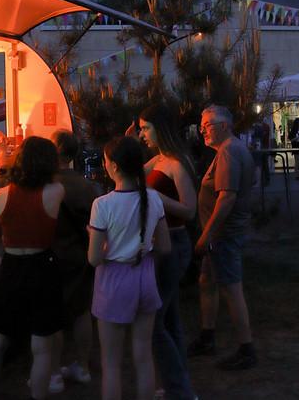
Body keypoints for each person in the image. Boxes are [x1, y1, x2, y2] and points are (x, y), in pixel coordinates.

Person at [0, 137, 65, 400]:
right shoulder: (55, 191)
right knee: (42, 347)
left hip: (12, 268)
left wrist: (11, 257)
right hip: (43, 268)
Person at [88, 136, 172, 400]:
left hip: (113, 281)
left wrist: (99, 241)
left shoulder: (103, 205)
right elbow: (165, 246)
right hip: (145, 275)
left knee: (111, 363)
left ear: (113, 166)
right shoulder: (154, 199)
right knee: (144, 356)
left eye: (105, 160)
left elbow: (94, 258)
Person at [131, 104, 198, 400]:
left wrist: (156, 198)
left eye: (146, 128)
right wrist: (129, 145)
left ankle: (180, 390)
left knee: (155, 324)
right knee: (169, 319)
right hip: (161, 244)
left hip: (173, 244)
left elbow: (189, 210)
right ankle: (176, 385)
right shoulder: (159, 159)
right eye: (140, 129)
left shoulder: (176, 163)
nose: (143, 134)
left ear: (162, 128)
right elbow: (130, 175)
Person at [188, 105, 257, 371]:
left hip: (223, 235)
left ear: (224, 126)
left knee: (231, 287)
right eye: (202, 125)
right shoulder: (229, 150)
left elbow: (226, 198)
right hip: (220, 235)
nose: (202, 130)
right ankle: (207, 337)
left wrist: (206, 236)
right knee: (207, 281)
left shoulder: (229, 151)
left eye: (207, 125)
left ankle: (246, 349)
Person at [48, 130, 98, 392]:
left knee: (53, 315)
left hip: (52, 255)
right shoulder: (86, 185)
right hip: (80, 255)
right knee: (81, 312)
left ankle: (54, 372)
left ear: (56, 149)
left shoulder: (46, 184)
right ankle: (83, 367)